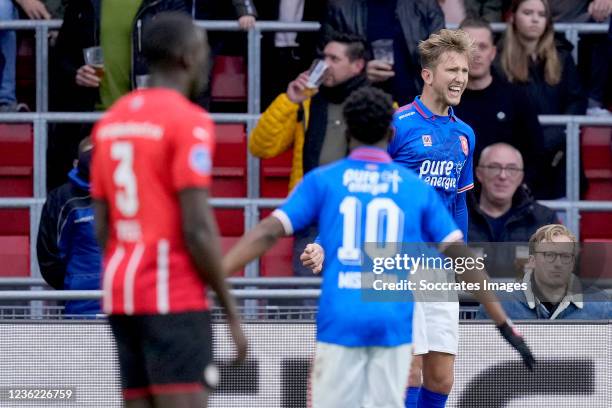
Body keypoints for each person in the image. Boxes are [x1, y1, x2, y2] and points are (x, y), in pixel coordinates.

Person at [224, 86, 534, 408]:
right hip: (391, 323)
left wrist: (213, 274)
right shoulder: (414, 188)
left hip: (340, 320)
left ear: (346, 129)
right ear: (390, 132)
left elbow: (266, 232)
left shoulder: (324, 180)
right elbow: (464, 260)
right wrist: (504, 323)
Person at [301, 28, 476, 408]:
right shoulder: (399, 123)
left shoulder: (465, 135)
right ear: (428, 75)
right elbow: (358, 190)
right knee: (408, 369)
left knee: (442, 377)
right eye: (452, 70)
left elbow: (459, 203)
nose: (461, 78)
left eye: (464, 70)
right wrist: (322, 243)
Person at [91, 13, 246, 408]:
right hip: (170, 292)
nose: (207, 59)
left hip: (121, 292)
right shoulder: (188, 121)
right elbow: (196, 228)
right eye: (202, 50)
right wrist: (230, 313)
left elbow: (103, 224)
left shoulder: (111, 121)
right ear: (184, 57)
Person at [250, 31, 368, 275]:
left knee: (358, 298)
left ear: (357, 66)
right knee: (306, 299)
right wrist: (289, 99)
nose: (325, 65)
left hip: (361, 216)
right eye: (323, 58)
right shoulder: (305, 101)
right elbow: (261, 146)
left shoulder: (378, 105)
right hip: (313, 215)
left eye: (334, 59)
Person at [499, 0, 587, 200]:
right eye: (528, 12)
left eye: (541, 14)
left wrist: (555, 136)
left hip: (558, 157)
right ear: (513, 17)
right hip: (516, 158)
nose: (535, 19)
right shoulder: (499, 61)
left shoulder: (563, 56)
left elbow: (576, 101)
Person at [454, 18, 542, 173]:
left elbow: (535, 153)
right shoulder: (440, 101)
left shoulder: (516, 99)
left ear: (493, 52)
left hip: (503, 191)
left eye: (482, 47)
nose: (476, 54)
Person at [322, 0, 444, 105]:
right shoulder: (341, 7)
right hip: (360, 108)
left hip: (416, 105)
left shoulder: (424, 4)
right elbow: (322, 65)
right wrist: (362, 73)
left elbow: (441, 56)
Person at [477, 224, 612, 319]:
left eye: (565, 256)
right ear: (532, 261)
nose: (558, 264)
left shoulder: (602, 306)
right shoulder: (497, 304)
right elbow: (478, 357)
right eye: (549, 255)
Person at [468, 143, 559, 277]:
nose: (503, 176)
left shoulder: (544, 220)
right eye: (494, 167)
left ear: (521, 177)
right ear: (479, 173)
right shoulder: (454, 217)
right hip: (467, 298)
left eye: (512, 169)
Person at [37, 136, 102, 316]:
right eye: (88, 155)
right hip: (81, 307)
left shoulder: (130, 193)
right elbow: (49, 258)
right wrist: (73, 282)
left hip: (126, 307)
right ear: (78, 162)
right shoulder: (62, 198)